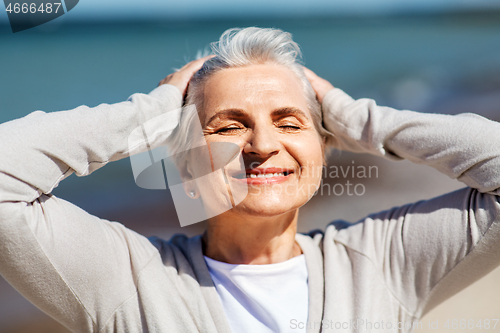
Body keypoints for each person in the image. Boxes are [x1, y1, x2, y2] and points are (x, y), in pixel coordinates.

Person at [0, 27, 499, 333]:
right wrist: (150, 116)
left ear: (324, 148)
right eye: (230, 125)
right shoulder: (127, 280)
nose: (262, 145)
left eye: (289, 123)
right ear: (186, 164)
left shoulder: (383, 261)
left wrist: (361, 120)